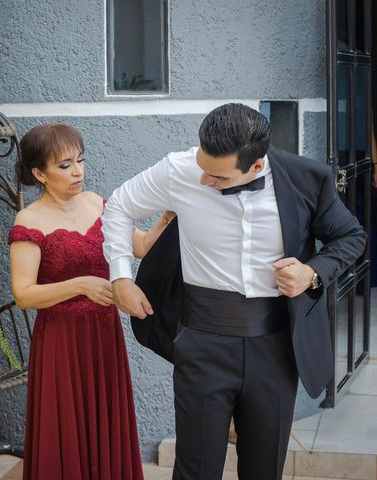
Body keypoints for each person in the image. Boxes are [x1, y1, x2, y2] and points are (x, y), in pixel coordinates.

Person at [101, 103, 367, 480]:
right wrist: (121, 277)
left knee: (263, 469)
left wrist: (312, 272)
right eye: (203, 168)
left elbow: (350, 236)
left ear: (257, 166)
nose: (205, 180)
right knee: (196, 470)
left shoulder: (307, 178)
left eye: (218, 177)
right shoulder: (179, 169)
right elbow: (118, 207)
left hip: (276, 343)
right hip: (202, 339)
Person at [8, 123, 173, 480]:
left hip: (103, 336)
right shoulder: (29, 220)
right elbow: (23, 294)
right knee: (64, 426)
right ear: (39, 173)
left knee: (104, 423)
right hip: (60, 342)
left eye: (80, 160)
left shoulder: (99, 202)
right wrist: (80, 285)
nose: (78, 171)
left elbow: (140, 247)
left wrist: (167, 217)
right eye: (64, 165)